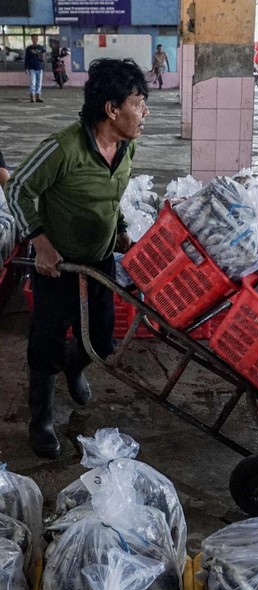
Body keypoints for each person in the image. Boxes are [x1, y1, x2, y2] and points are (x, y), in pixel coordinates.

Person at [5, 58, 150, 460]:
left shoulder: (126, 146)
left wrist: (119, 228)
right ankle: (42, 420)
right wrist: (40, 241)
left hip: (100, 261)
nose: (145, 112)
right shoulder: (63, 147)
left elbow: (113, 194)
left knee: (102, 341)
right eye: (139, 102)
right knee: (47, 342)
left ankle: (76, 366)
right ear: (112, 109)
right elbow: (17, 188)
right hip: (59, 265)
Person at [24, 34, 46, 103]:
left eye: (36, 38)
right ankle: (32, 97)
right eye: (33, 38)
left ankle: (38, 96)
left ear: (37, 39)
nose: (35, 40)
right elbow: (26, 58)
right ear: (31, 39)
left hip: (39, 67)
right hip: (31, 68)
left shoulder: (41, 48)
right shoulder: (29, 48)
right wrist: (25, 67)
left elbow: (43, 57)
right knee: (32, 83)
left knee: (39, 83)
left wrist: (40, 54)